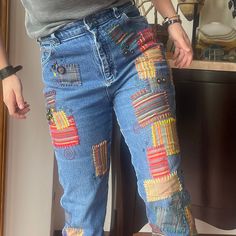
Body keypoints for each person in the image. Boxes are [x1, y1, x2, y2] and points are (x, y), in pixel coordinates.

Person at [0, 0, 197, 235]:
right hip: (65, 65)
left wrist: (172, 19)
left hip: (132, 45)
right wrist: (4, 71)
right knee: (82, 212)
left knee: (166, 189)